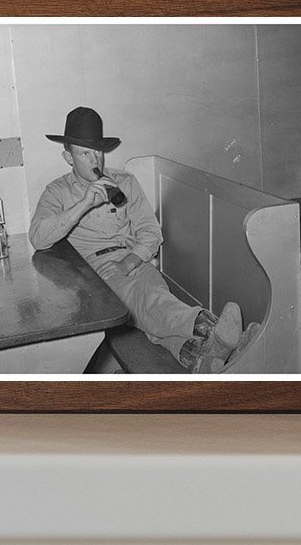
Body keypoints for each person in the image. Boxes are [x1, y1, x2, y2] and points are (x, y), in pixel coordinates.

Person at [28, 106, 260, 373]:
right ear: (68, 157)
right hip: (96, 275)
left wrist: (130, 261)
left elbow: (150, 232)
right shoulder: (57, 192)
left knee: (153, 307)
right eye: (85, 153)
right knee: (148, 300)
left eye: (98, 151)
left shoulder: (124, 182)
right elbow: (38, 238)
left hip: (134, 261)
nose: (95, 160)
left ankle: (204, 360)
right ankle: (223, 333)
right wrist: (82, 205)